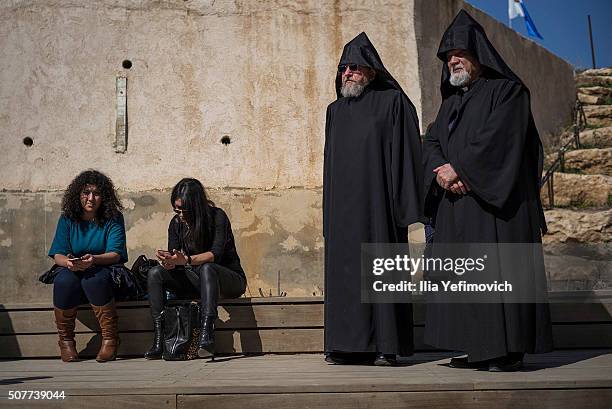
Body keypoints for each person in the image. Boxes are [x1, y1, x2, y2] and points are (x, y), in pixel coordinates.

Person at [422, 10, 553, 371]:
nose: (453, 60)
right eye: (448, 57)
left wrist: (460, 168)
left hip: (496, 208)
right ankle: (474, 348)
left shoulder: (508, 92)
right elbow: (431, 141)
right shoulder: (450, 104)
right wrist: (441, 172)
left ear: (479, 54)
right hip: (458, 205)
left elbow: (499, 141)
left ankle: (505, 351)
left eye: (460, 53)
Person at [323, 32, 424, 366]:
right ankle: (344, 344)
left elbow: (406, 153)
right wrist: (328, 218)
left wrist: (405, 206)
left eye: (355, 67)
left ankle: (385, 346)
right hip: (342, 213)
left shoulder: (392, 102)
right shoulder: (334, 111)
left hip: (377, 208)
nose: (348, 73)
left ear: (371, 71)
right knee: (345, 276)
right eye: (344, 68)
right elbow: (329, 165)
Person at [144, 178, 247, 360]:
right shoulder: (176, 223)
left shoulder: (217, 216)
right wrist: (169, 261)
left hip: (228, 280)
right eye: (176, 209)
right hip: (195, 280)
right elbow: (177, 256)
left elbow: (216, 254)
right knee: (155, 274)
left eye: (184, 210)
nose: (180, 214)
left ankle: (206, 335)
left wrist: (187, 260)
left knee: (208, 268)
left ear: (197, 205)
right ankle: (160, 338)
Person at [48, 170, 128, 363]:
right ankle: (66, 341)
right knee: (63, 281)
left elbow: (115, 254)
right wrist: (68, 263)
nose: (91, 198)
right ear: (78, 195)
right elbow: (57, 253)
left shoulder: (113, 218)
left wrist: (94, 260)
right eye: (86, 193)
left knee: (94, 279)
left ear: (104, 197)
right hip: (73, 269)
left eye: (96, 193)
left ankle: (110, 339)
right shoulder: (67, 218)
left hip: (103, 269)